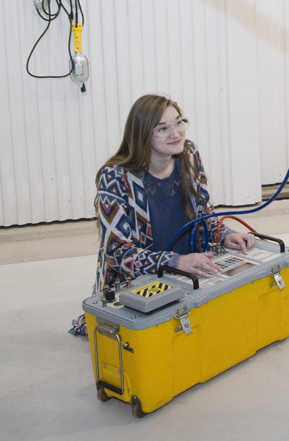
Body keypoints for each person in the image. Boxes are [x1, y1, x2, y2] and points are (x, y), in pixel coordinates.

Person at [70, 94, 255, 337]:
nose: (176, 133)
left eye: (179, 122)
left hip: (188, 276)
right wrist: (175, 261)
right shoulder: (115, 177)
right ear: (143, 134)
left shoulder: (189, 154)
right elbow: (117, 254)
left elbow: (203, 214)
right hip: (140, 284)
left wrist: (224, 234)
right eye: (162, 128)